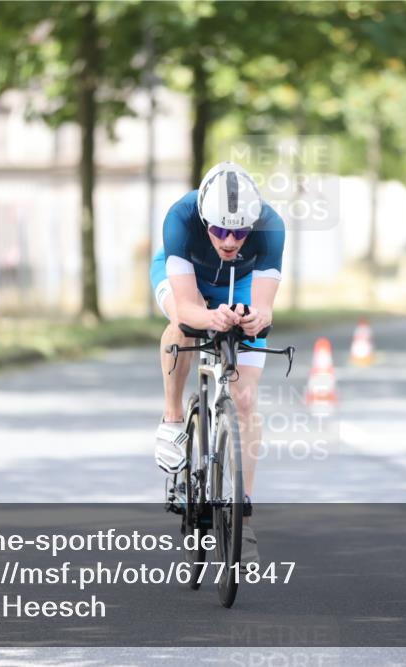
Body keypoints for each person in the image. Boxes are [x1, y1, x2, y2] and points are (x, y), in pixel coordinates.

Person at [150, 161, 285, 563]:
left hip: (240, 281)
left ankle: (242, 513)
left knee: (244, 399)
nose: (229, 240)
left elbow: (264, 308)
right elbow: (189, 307)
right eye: (220, 230)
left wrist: (255, 318)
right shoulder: (180, 216)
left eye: (240, 232)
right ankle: (173, 418)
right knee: (182, 327)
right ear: (204, 220)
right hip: (188, 276)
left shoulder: (271, 224)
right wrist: (209, 317)